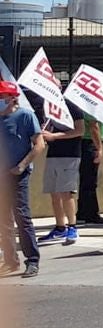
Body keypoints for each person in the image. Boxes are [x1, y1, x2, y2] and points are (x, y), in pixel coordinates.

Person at [0, 81, 45, 278]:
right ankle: (10, 261)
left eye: (2, 97)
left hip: (18, 174)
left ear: (12, 97)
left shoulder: (25, 116)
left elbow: (39, 144)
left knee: (22, 216)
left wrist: (22, 165)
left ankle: (32, 260)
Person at [37, 101, 84, 245]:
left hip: (69, 154)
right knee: (54, 193)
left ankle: (72, 226)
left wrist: (55, 136)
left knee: (66, 193)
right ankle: (59, 227)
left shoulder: (73, 106)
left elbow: (80, 130)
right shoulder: (47, 107)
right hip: (53, 154)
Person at [75, 111, 103, 225]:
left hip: (87, 143)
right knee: (90, 181)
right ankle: (91, 214)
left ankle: (82, 212)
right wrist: (99, 148)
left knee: (85, 180)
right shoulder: (89, 108)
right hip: (89, 143)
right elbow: (93, 126)